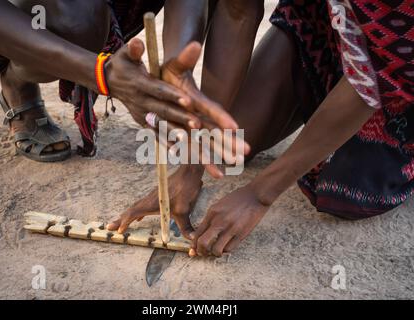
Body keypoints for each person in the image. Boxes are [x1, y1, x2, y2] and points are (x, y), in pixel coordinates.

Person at [109, 0, 414, 257]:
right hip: (326, 19)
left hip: (397, 58)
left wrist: (259, 195)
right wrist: (192, 165)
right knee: (230, 145)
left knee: (347, 192)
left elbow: (374, 76)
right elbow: (237, 10)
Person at [0, 0, 240, 163]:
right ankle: (18, 83)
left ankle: (87, 41)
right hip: (8, 12)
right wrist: (102, 72)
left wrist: (175, 73)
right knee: (76, 20)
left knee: (251, 140)